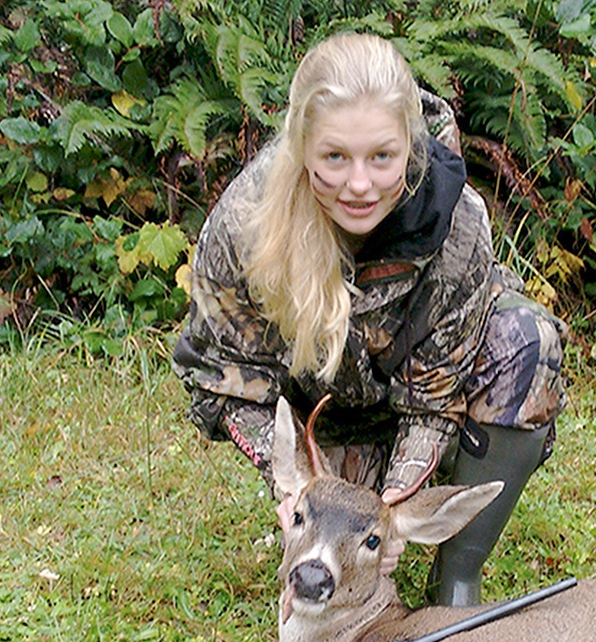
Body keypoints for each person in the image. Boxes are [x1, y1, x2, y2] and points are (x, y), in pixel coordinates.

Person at [171, 32, 566, 605]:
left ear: (409, 142)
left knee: (527, 342)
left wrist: (398, 502)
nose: (359, 185)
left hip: (416, 418)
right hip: (318, 433)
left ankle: (457, 577)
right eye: (334, 157)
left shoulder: (455, 223)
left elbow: (435, 399)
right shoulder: (246, 224)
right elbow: (219, 382)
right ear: (302, 145)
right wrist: (292, 480)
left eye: (382, 156)